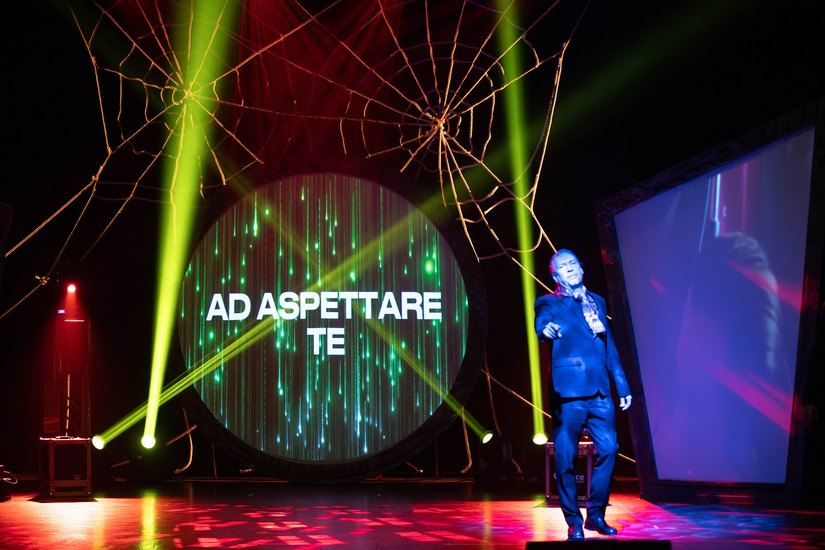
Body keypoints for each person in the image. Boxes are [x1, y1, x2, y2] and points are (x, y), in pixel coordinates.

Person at [534, 249, 632, 541]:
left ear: (581, 268)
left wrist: (622, 385)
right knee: (565, 459)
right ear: (556, 276)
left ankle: (596, 515)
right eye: (563, 266)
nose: (570, 268)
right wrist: (546, 330)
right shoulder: (549, 302)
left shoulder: (597, 302)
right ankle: (573, 521)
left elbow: (609, 346)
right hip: (569, 393)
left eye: (573, 263)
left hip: (601, 392)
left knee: (610, 449)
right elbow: (542, 323)